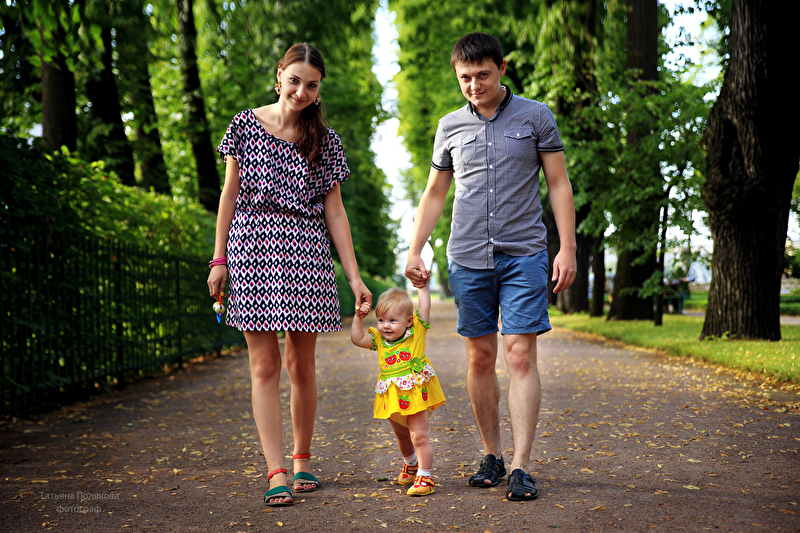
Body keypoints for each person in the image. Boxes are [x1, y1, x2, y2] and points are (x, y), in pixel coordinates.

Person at [404, 32, 576, 502]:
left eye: (482, 75)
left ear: (501, 68)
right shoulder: (449, 126)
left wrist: (567, 248)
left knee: (519, 355)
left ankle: (521, 465)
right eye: (465, 78)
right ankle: (492, 455)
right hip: (467, 256)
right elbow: (435, 192)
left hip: (524, 253)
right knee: (480, 357)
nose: (474, 85)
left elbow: (558, 183)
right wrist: (416, 248)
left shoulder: (536, 116)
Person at [207, 43, 372, 507]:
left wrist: (354, 278)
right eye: (295, 80)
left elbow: (335, 212)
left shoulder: (325, 139)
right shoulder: (244, 125)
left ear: (319, 90)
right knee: (264, 366)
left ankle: (302, 459)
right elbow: (228, 195)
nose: (301, 91)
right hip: (251, 249)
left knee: (301, 365)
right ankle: (275, 469)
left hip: (307, 252)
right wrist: (218, 259)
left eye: (311, 85)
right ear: (279, 74)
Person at [350, 286, 446, 496]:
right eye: (381, 320)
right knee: (402, 436)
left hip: (415, 395)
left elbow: (425, 307)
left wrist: (422, 287)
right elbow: (357, 339)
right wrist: (358, 317)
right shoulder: (378, 340)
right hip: (392, 397)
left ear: (409, 321)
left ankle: (425, 476)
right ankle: (410, 464)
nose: (386, 326)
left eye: (393, 320)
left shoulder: (416, 331)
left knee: (418, 436)